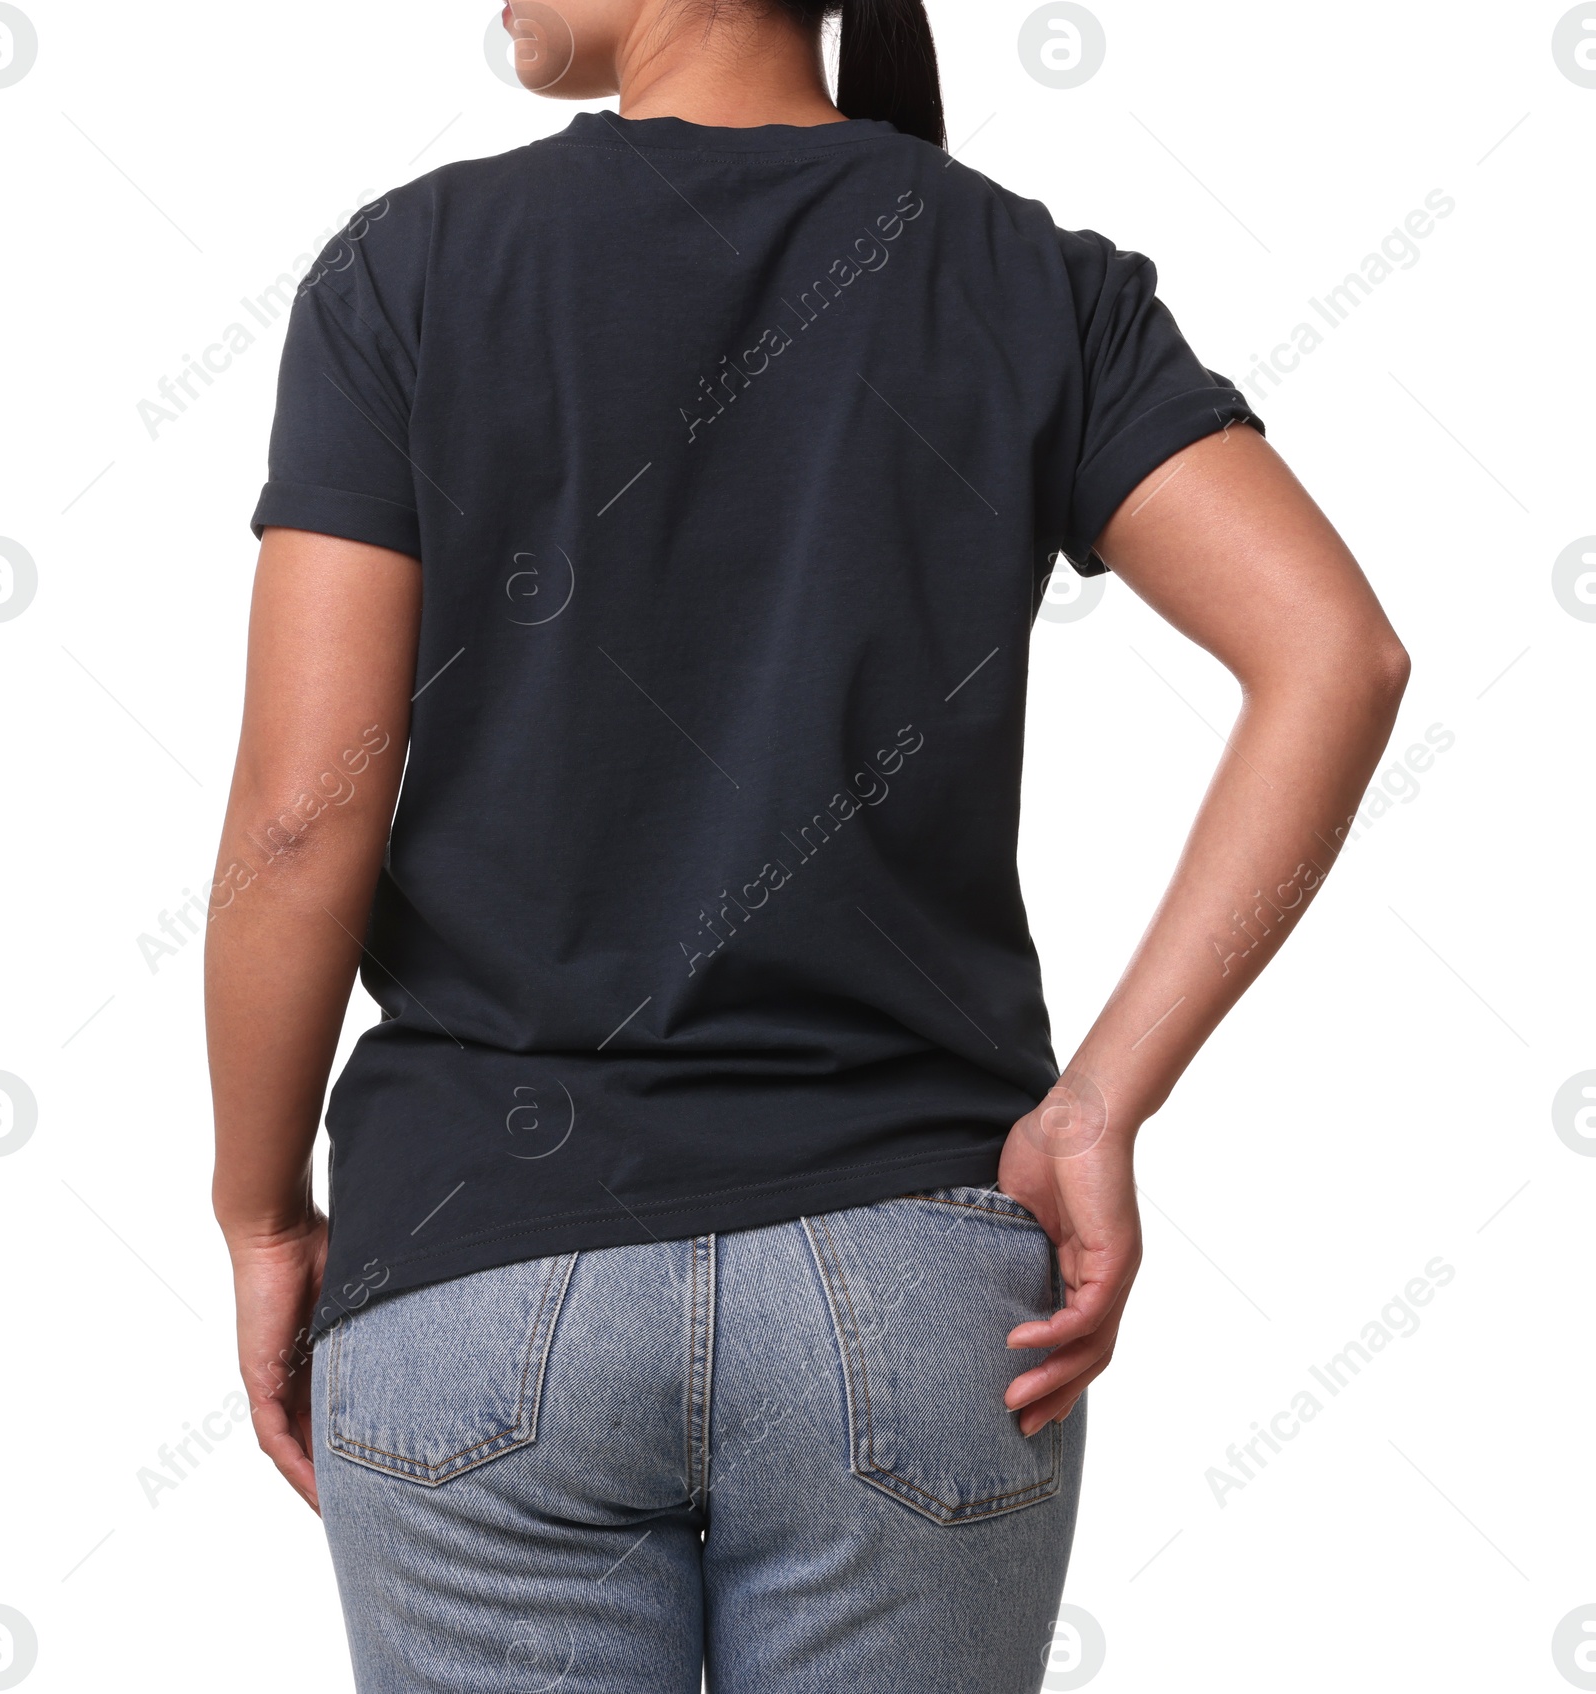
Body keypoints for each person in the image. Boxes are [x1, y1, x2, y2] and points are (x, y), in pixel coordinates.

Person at [205, 1, 1409, 1688]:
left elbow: (301, 810)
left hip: (482, 1262)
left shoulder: (412, 269)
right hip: (913, 1292)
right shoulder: (1023, 278)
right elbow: (1336, 657)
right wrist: (1101, 1101)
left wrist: (263, 1213)